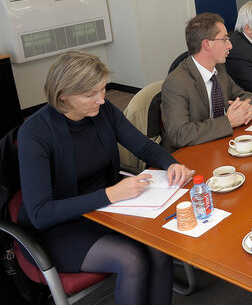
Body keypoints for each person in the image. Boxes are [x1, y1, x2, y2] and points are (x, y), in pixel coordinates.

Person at [18, 50, 195, 305]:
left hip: (107, 209)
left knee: (159, 247)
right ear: (62, 96)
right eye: (90, 94)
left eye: (102, 90)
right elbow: (40, 212)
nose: (101, 100)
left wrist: (171, 164)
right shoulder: (34, 133)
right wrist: (110, 194)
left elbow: (143, 147)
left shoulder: (102, 110)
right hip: (59, 226)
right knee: (131, 258)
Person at [161, 13, 252, 151]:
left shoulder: (219, 68)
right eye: (225, 39)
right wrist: (228, 122)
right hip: (190, 155)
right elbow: (179, 134)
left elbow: (244, 95)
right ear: (207, 44)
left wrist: (244, 109)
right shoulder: (176, 83)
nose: (230, 45)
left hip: (220, 144)